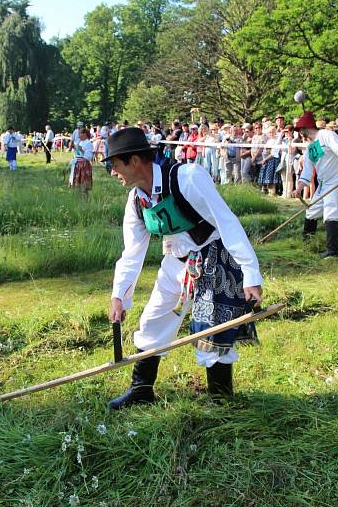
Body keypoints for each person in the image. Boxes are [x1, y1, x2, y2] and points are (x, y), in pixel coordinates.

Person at [105, 127, 264, 409]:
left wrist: (250, 274)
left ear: (134, 161)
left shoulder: (188, 178)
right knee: (153, 321)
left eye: (115, 165)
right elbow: (132, 252)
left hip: (214, 261)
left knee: (212, 334)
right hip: (175, 263)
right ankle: (141, 390)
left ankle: (220, 400)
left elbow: (227, 223)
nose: (112, 172)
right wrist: (119, 295)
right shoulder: (137, 201)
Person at [292, 111, 338, 258]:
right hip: (323, 184)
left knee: (330, 212)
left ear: (306, 128)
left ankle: (332, 251)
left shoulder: (326, 135)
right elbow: (307, 170)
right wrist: (299, 187)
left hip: (337, 180)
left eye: (300, 130)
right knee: (311, 212)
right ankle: (308, 244)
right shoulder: (311, 147)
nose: (300, 134)